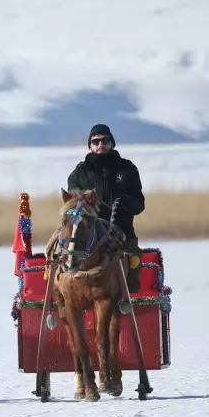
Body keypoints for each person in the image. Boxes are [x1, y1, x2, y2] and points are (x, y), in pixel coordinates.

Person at [66, 123, 145, 292]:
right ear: (90, 145)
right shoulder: (79, 173)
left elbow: (139, 204)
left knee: (134, 257)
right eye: (96, 141)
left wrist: (124, 203)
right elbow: (73, 206)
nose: (100, 145)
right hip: (89, 234)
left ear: (112, 143)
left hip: (122, 231)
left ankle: (128, 296)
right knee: (66, 253)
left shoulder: (127, 168)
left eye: (105, 140)